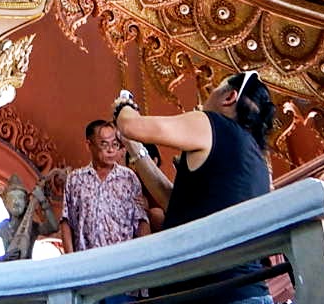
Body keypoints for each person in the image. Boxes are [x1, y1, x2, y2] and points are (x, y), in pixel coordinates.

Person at [113, 73, 275, 303]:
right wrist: (134, 147)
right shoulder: (256, 160)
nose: (206, 98)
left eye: (214, 89)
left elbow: (131, 125)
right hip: (246, 292)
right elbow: (175, 203)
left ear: (229, 97)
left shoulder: (211, 123)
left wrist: (124, 106)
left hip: (215, 294)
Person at [59, 119, 150, 255]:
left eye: (115, 144)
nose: (111, 150)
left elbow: (141, 220)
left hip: (123, 257)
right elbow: (66, 221)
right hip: (87, 258)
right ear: (89, 145)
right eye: (104, 144)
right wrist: (70, 258)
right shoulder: (75, 179)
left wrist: (144, 254)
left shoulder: (128, 178)